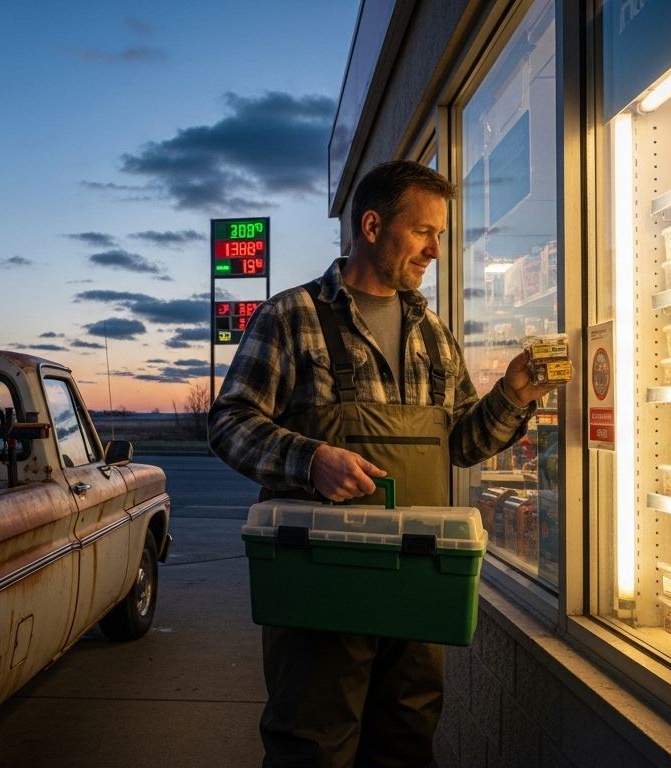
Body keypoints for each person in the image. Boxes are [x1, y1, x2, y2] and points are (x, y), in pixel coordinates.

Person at [207, 159, 558, 767]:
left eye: (439, 235)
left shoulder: (433, 334)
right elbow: (229, 422)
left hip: (416, 586)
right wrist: (310, 460)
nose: (436, 251)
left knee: (406, 742)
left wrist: (510, 397)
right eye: (423, 232)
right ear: (371, 226)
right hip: (320, 584)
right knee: (312, 748)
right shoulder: (291, 317)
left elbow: (460, 444)